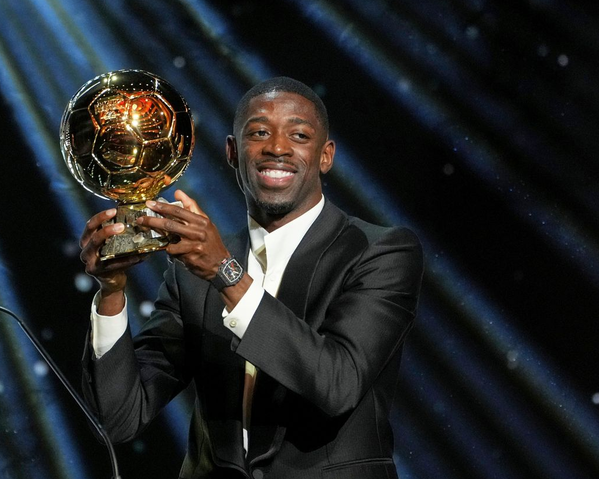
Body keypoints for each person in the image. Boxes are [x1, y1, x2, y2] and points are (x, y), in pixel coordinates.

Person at [79, 77, 424, 479]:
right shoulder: (192, 271)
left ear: (325, 156)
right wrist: (111, 292)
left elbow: (338, 384)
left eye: (299, 135)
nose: (277, 147)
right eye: (259, 133)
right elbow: (120, 419)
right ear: (232, 152)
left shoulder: (380, 251)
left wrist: (226, 274)